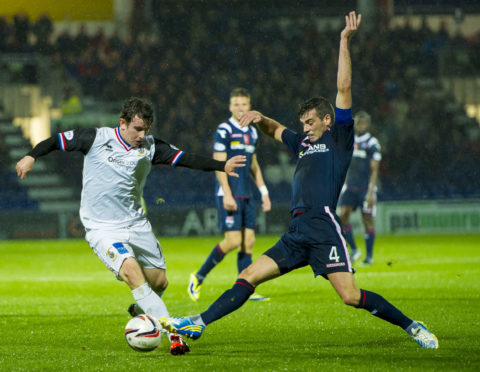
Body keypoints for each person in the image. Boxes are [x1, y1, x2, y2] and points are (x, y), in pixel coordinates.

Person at [159, 12, 438, 350]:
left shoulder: (339, 139)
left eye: (309, 122)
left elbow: (344, 87)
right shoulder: (303, 144)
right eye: (303, 123)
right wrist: (260, 118)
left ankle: (412, 326)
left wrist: (343, 41)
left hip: (322, 226)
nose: (305, 128)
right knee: (247, 276)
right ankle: (200, 323)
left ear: (326, 119)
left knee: (349, 296)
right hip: (296, 231)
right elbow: (276, 130)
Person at [16, 97, 246, 355]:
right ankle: (174, 336)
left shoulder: (150, 146)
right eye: (138, 129)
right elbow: (55, 140)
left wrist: (221, 166)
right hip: (102, 228)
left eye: (146, 129)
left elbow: (186, 159)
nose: (142, 135)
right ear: (122, 123)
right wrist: (31, 156)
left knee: (159, 283)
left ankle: (141, 311)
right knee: (133, 274)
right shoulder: (95, 137)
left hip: (136, 224)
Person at [188, 88, 271, 302]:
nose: (240, 108)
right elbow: (219, 164)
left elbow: (253, 164)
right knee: (233, 240)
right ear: (230, 106)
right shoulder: (224, 130)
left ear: (249, 106)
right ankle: (198, 277)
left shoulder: (252, 132)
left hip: (247, 193)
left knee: (248, 242)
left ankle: (244, 288)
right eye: (236, 104)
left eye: (244, 104)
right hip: (230, 192)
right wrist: (226, 194)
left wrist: (263, 192)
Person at [338, 111, 381, 265]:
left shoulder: (371, 142)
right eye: (358, 122)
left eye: (363, 122)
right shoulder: (349, 141)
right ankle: (355, 250)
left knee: (367, 219)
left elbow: (375, 168)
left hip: (365, 188)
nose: (360, 125)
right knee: (342, 216)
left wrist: (371, 191)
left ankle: (369, 257)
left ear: (367, 124)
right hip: (350, 187)